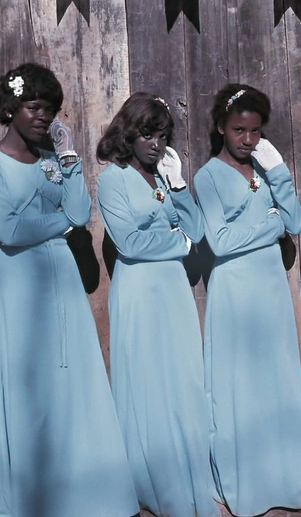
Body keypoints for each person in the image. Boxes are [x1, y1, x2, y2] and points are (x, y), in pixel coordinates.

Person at [0, 63, 140, 517]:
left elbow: (81, 211)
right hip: (20, 289)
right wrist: (62, 221)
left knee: (71, 381)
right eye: (34, 107)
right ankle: (33, 497)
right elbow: (10, 231)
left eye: (50, 109)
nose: (44, 116)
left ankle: (81, 492)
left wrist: (69, 161)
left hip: (64, 282)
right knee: (30, 386)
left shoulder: (52, 161)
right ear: (10, 109)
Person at [193, 84, 301, 517]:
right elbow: (221, 241)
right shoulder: (207, 176)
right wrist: (270, 225)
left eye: (255, 131)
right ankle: (244, 487)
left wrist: (279, 173)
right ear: (220, 128)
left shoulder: (266, 169)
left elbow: (295, 222)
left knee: (276, 383)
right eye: (238, 130)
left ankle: (286, 483)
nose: (248, 140)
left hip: (270, 289)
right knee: (239, 388)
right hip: (234, 291)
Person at [96, 92, 219, 517]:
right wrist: (178, 242)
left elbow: (198, 229)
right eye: (147, 135)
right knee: (147, 383)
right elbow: (130, 243)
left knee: (182, 380)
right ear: (128, 134)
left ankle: (188, 472)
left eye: (163, 136)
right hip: (138, 292)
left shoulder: (164, 177)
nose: (156, 144)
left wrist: (179, 185)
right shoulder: (112, 179)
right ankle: (151, 480)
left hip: (173, 291)